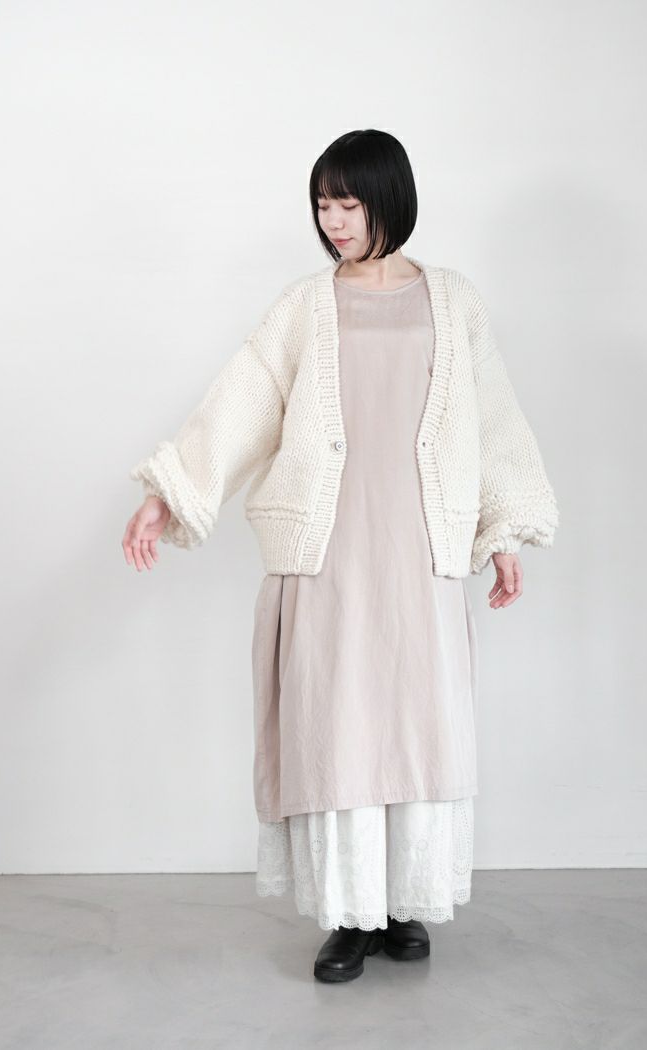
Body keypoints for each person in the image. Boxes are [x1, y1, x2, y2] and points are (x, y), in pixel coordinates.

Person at [122, 129, 559, 984]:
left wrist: (503, 532)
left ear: (388, 198)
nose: (333, 221)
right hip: (328, 554)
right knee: (339, 725)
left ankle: (404, 906)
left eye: (348, 203)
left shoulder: (454, 301)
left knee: (417, 725)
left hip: (421, 554)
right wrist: (167, 492)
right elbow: (242, 404)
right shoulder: (303, 307)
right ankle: (349, 917)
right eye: (323, 204)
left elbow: (494, 420)